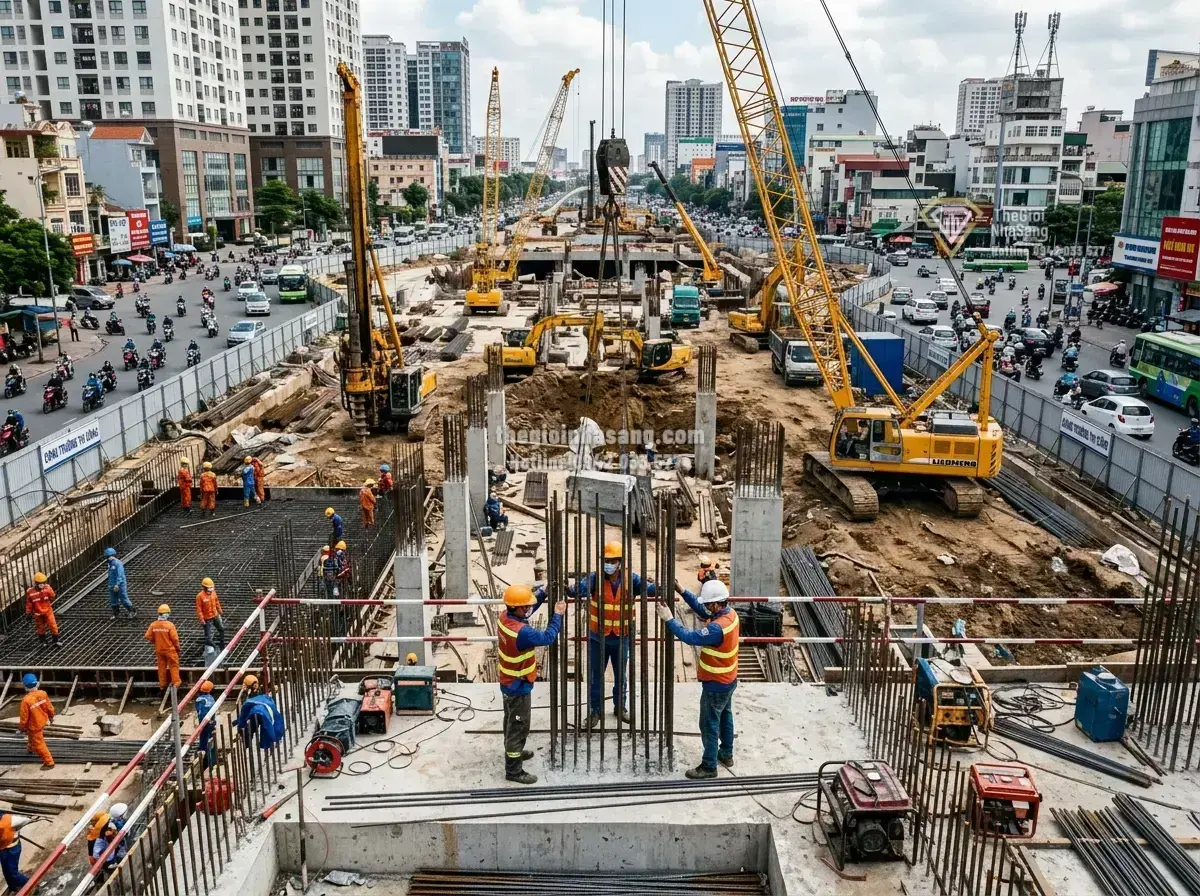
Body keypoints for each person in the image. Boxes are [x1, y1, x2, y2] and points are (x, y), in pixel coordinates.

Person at [656, 579, 739, 779]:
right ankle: (726, 754)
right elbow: (702, 610)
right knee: (725, 717)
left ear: (716, 604)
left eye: (709, 604)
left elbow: (690, 637)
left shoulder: (715, 629)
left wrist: (669, 619)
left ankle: (709, 766)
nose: (706, 607)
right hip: (729, 679)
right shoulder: (730, 615)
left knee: (709, 723)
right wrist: (681, 589)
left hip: (716, 682)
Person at [568, 540, 656, 728]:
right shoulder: (595, 579)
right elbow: (578, 591)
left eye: (613, 560)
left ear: (620, 562)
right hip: (598, 638)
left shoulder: (631, 579)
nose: (609, 564)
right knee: (596, 677)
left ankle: (620, 707)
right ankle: (595, 711)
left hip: (622, 638)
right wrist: (570, 589)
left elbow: (648, 590)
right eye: (606, 560)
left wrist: (663, 585)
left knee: (621, 676)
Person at [497, 583, 565, 784]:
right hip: (518, 685)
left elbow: (526, 613)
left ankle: (514, 752)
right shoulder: (523, 633)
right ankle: (514, 770)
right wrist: (558, 614)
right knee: (519, 725)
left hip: (508, 682)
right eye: (525, 606)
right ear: (516, 608)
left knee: (510, 720)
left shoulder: (504, 617)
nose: (528, 609)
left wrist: (542, 593)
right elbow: (548, 637)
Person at [18, 673, 55, 768]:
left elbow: (24, 717)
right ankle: (30, 748)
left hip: (34, 726)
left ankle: (49, 762)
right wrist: (51, 716)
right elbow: (49, 707)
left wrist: (21, 728)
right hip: (42, 721)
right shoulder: (43, 693)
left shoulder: (26, 700)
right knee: (31, 736)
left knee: (39, 744)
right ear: (37, 684)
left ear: (25, 687)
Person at [145, 604, 181, 692]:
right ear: (166, 614)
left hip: (159, 650)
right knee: (173, 666)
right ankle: (176, 683)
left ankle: (162, 685)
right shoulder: (170, 625)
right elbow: (175, 639)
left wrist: (156, 641)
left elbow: (147, 636)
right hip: (170, 650)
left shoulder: (153, 625)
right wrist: (177, 648)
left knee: (161, 667)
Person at [25, 571, 61, 648]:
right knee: (40, 628)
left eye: (43, 583)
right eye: (40, 583)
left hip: (48, 611)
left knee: (53, 626)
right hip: (38, 613)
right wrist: (28, 613)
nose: (42, 585)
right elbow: (29, 603)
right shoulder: (30, 592)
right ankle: (43, 642)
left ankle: (56, 641)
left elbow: (52, 596)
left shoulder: (47, 588)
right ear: (36, 583)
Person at [0, 811, 33, 892]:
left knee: (12, 872)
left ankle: (30, 884)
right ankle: (12, 887)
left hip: (13, 848)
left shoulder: (11, 820)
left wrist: (16, 830)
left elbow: (26, 820)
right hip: (2, 849)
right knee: (6, 871)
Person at [105, 547, 135, 620]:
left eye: (109, 556)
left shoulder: (118, 563)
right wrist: (111, 585)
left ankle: (132, 611)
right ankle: (116, 613)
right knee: (113, 600)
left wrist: (117, 584)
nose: (109, 558)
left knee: (123, 598)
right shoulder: (110, 564)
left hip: (120, 585)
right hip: (112, 585)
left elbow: (120, 575)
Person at [196, 577, 225, 649]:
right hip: (207, 618)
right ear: (204, 587)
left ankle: (222, 643)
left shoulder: (213, 593)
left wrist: (220, 610)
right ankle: (214, 647)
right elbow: (199, 609)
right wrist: (202, 619)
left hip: (215, 615)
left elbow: (217, 602)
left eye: (212, 587)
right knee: (208, 636)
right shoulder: (200, 596)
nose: (211, 589)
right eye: (210, 587)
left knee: (221, 629)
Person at [195, 682, 217, 768]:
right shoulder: (211, 698)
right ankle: (212, 763)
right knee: (211, 741)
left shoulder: (200, 700)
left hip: (205, 723)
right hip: (212, 722)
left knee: (204, 743)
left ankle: (206, 764)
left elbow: (201, 713)